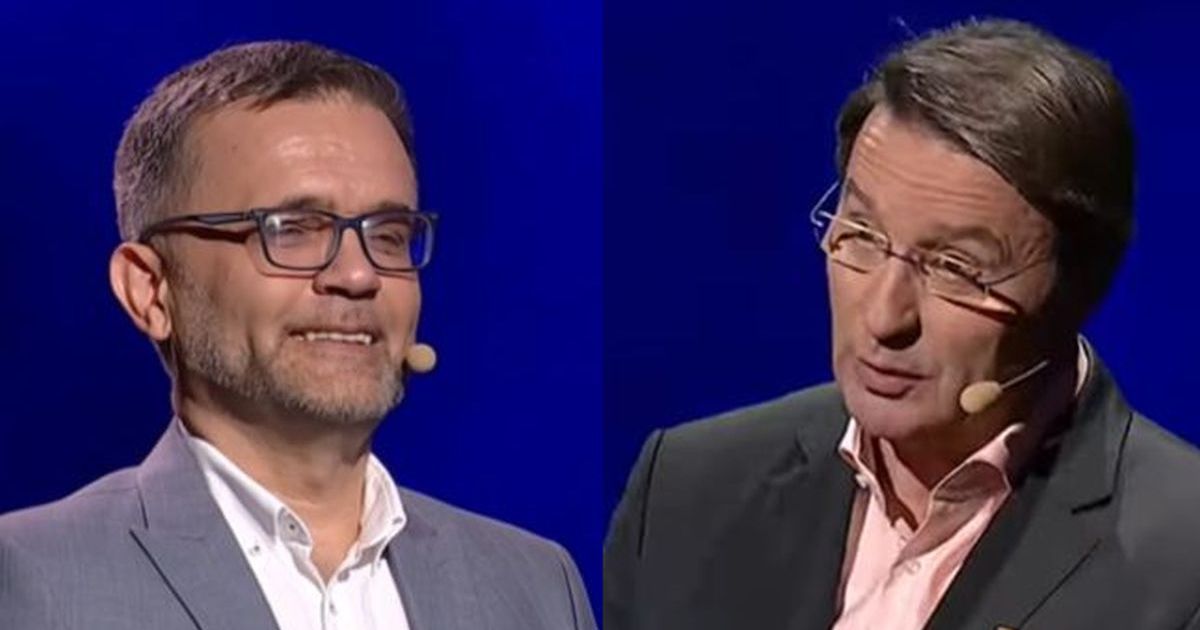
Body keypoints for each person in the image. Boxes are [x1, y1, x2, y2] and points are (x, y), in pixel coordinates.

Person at [605, 18, 1200, 630]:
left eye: (955, 268)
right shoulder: (686, 495)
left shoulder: (1183, 563)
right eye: (861, 236)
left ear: (1077, 288)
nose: (885, 317)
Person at [0, 41, 594, 630]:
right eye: (290, 230)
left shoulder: (535, 586)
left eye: (388, 235)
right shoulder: (31, 579)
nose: (358, 275)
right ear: (151, 291)